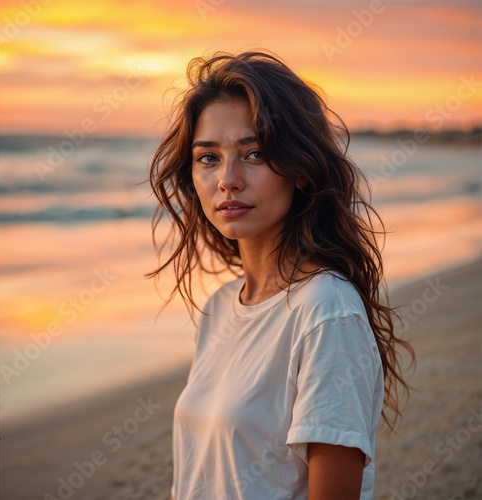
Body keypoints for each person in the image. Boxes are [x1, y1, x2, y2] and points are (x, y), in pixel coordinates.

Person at [146, 50, 414, 500]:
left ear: (301, 171)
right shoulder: (220, 308)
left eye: (254, 153)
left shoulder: (327, 311)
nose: (228, 179)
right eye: (208, 158)